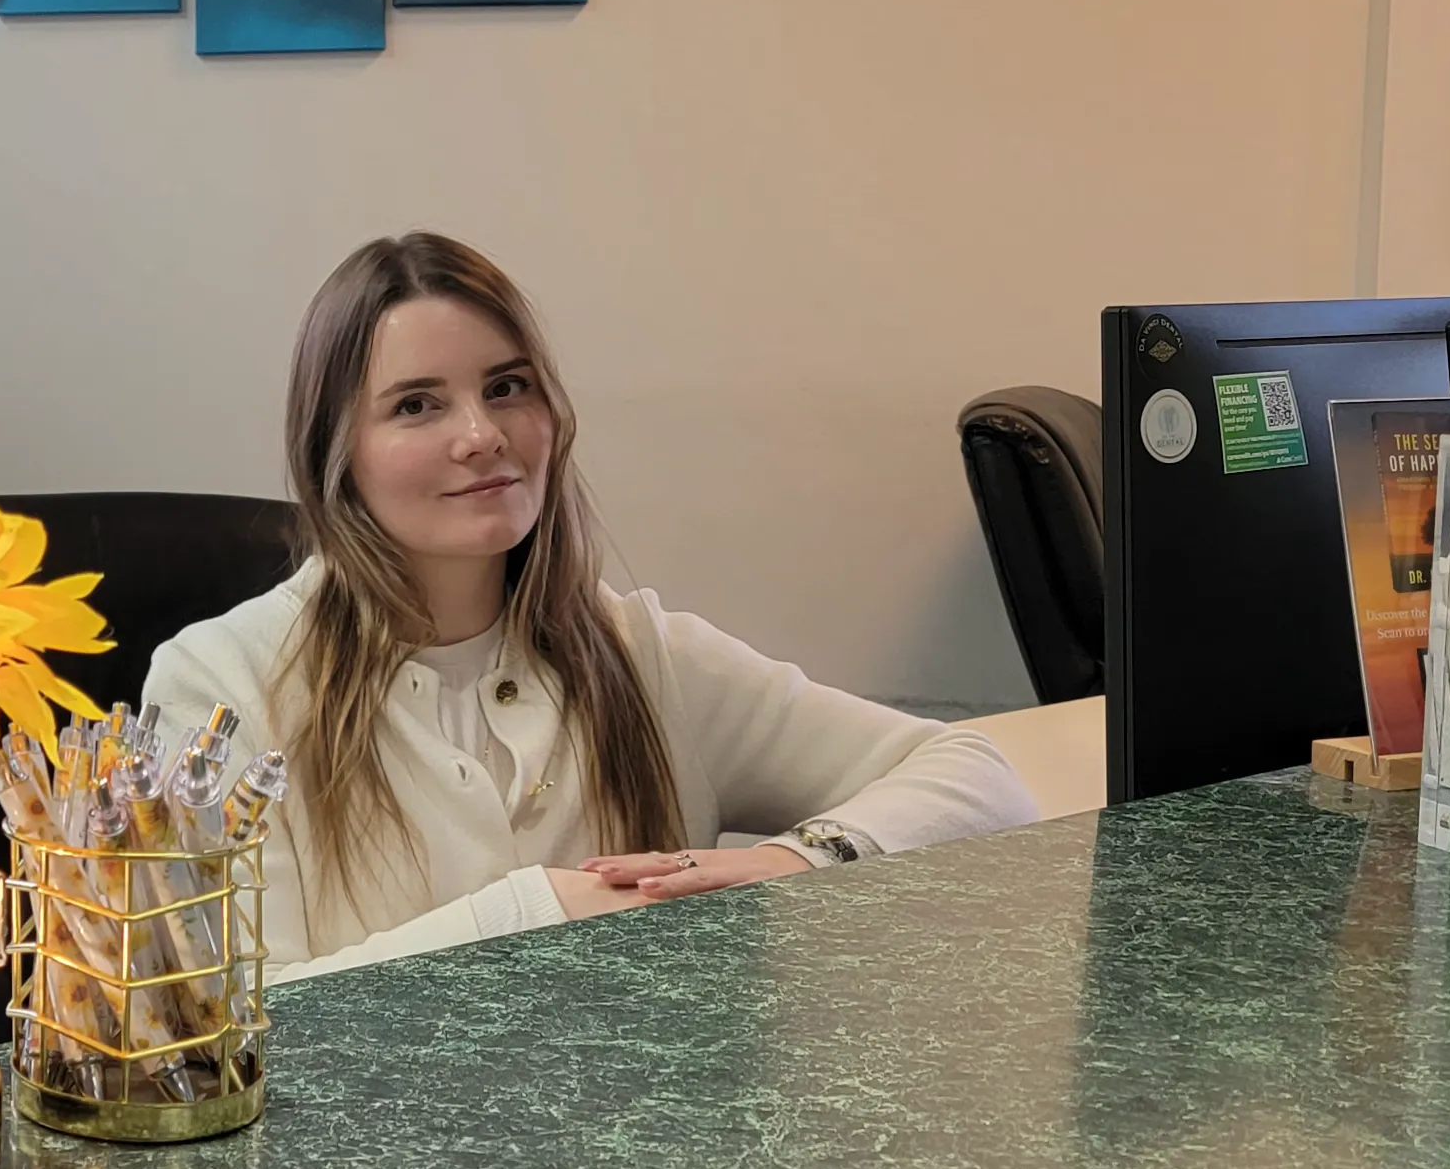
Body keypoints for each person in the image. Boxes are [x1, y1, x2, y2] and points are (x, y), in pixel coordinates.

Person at [143, 233, 1033, 976]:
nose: (482, 435)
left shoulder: (637, 649)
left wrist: (792, 859)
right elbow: (226, 1022)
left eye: (507, 387)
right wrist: (546, 908)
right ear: (337, 453)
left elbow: (977, 777)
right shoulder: (220, 682)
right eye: (417, 405)